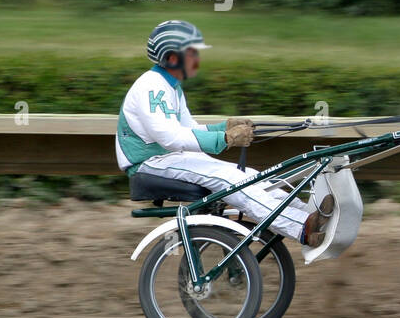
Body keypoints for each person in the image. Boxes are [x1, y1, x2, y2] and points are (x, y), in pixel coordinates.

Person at [116, 20, 332, 245]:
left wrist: (224, 127)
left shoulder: (171, 87)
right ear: (172, 58)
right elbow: (170, 137)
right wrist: (226, 138)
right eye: (192, 53)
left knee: (251, 176)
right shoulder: (152, 87)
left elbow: (189, 130)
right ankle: (302, 227)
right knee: (232, 181)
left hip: (167, 158)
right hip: (150, 163)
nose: (197, 59)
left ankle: (311, 216)